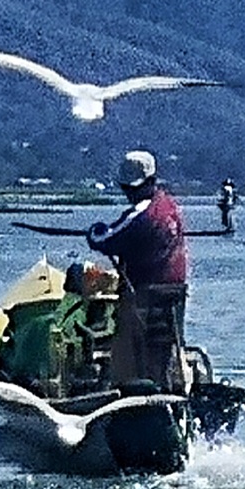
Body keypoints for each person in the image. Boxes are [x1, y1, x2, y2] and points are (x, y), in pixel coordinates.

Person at [85, 150, 191, 393]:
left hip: (144, 295)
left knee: (131, 351)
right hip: (175, 294)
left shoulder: (141, 215)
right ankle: (167, 388)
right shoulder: (170, 206)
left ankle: (130, 392)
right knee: (165, 347)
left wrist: (94, 230)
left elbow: (104, 239)